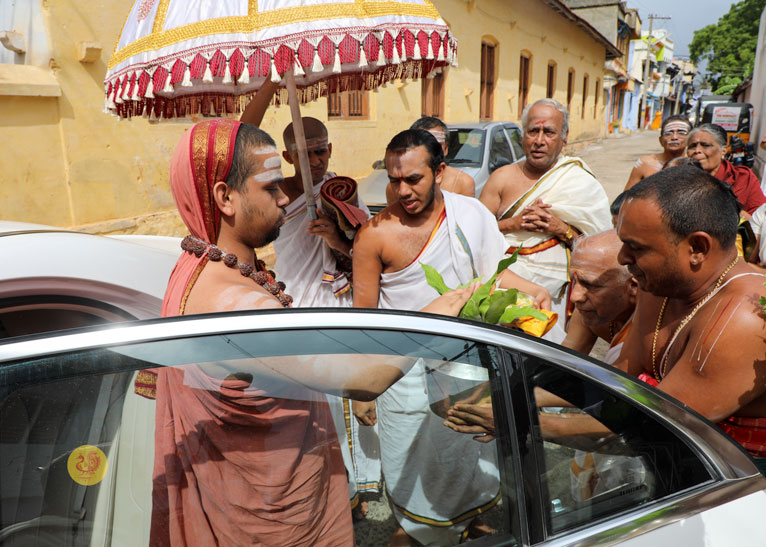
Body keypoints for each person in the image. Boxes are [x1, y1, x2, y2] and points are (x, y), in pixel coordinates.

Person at [150, 119, 477, 545]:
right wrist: (434, 316)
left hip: (259, 492)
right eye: (270, 187)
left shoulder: (201, 265)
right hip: (270, 517)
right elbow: (365, 379)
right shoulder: (233, 305)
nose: (285, 197)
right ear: (225, 197)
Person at [352, 128, 549, 545]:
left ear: (439, 171)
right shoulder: (374, 235)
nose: (402, 191)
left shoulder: (470, 214)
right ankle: (418, 532)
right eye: (394, 180)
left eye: (413, 179)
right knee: (416, 494)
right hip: (405, 377)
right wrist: (361, 392)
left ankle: (465, 522)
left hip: (469, 370)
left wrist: (532, 289)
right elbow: (364, 318)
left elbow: (492, 276)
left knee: (471, 458)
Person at [241, 84, 377, 517]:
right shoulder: (278, 194)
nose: (316, 161)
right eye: (306, 153)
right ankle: (331, 490)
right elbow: (240, 139)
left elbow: (366, 255)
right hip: (296, 304)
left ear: (330, 149)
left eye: (321, 151)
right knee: (312, 407)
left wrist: (338, 238)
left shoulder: (342, 191)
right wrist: (269, 87)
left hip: (338, 304)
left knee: (349, 397)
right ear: (288, 157)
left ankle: (358, 488)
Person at [613, 164, 766, 473]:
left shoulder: (746, 317)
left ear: (697, 248)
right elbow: (621, 375)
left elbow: (653, 421)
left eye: (636, 248)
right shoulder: (660, 284)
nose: (622, 258)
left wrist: (534, 420)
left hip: (737, 486)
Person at [479, 98, 612, 343]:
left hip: (556, 295)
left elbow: (602, 250)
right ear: (523, 136)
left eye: (549, 132)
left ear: (564, 137)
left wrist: (561, 229)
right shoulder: (501, 178)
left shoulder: (579, 181)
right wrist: (513, 224)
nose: (539, 140)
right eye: (533, 131)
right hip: (502, 289)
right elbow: (474, 237)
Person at [562, 230, 638, 363]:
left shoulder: (658, 326)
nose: (575, 297)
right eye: (575, 281)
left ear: (633, 286)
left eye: (590, 285)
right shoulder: (588, 309)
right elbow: (565, 362)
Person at [385, 116, 475, 204]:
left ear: (446, 149)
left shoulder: (463, 182)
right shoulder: (395, 188)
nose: (429, 151)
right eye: (421, 145)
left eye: (436, 145)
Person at [686, 123, 766, 215]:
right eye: (692, 146)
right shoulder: (682, 179)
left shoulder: (742, 177)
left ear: (723, 150)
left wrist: (742, 217)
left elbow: (761, 216)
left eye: (705, 145)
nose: (697, 151)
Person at [625, 115, 691, 190]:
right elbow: (627, 195)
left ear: (690, 139)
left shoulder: (694, 165)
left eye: (681, 133)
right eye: (668, 133)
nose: (674, 137)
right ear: (661, 140)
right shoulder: (644, 164)